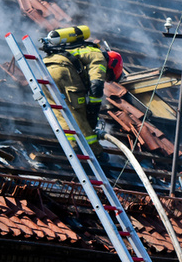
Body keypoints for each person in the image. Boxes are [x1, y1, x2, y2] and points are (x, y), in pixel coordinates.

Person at [41, 27, 123, 164]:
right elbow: (96, 85)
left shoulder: (81, 49)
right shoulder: (98, 56)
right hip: (64, 70)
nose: (106, 78)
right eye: (108, 76)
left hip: (46, 68)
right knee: (77, 111)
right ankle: (94, 151)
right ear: (112, 66)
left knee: (60, 111)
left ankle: (73, 146)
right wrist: (93, 108)